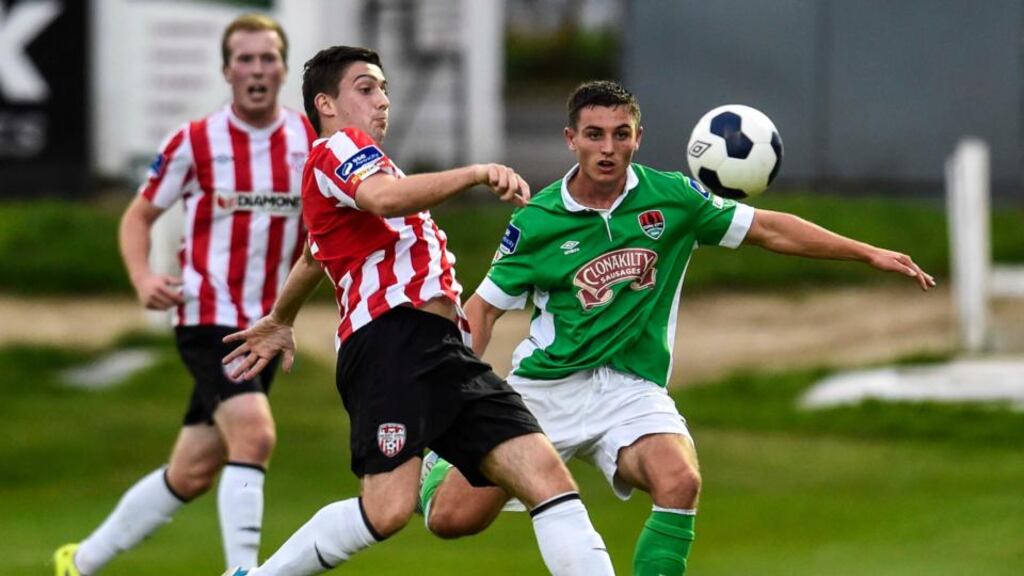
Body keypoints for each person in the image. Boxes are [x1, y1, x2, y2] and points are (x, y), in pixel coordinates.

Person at [418, 80, 937, 576]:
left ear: (638, 139)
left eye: (621, 134)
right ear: (571, 139)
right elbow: (482, 311)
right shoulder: (537, 221)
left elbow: (769, 229)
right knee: (452, 519)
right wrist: (452, 395)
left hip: (630, 387)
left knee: (680, 479)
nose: (608, 148)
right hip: (546, 389)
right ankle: (436, 463)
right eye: (594, 134)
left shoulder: (675, 200)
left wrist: (868, 253)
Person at [217, 46, 615, 576]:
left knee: (547, 476)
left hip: (442, 350)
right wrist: (474, 172)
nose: (382, 100)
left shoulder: (359, 168)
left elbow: (317, 253)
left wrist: (281, 319)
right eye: (366, 88)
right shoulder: (338, 147)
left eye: (383, 88)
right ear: (326, 104)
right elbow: (384, 199)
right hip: (391, 343)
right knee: (386, 510)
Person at [54, 14, 317, 575]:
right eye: (244, 59)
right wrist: (143, 277)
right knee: (255, 432)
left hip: (267, 324)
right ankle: (243, 569)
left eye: (267, 57)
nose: (256, 69)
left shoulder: (308, 142)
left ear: (283, 68)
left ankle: (78, 562)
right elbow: (138, 216)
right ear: (226, 70)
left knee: (193, 471)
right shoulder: (195, 141)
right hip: (208, 314)